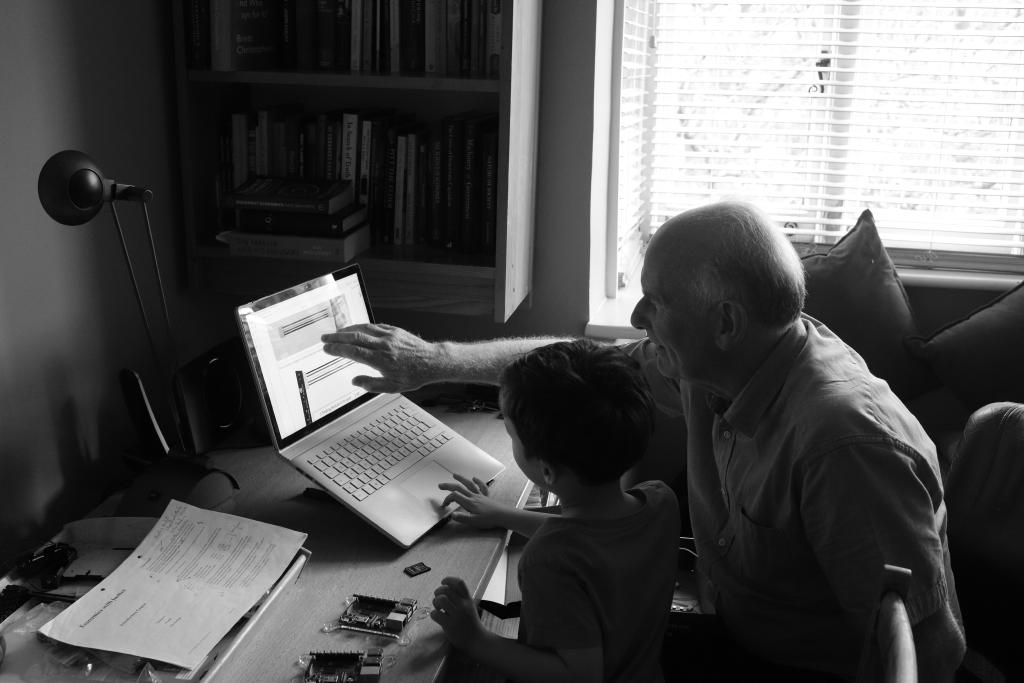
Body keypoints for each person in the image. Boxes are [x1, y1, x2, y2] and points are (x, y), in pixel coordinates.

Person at [322, 200, 966, 682]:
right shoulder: (724, 357)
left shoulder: (844, 444)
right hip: (719, 624)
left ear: (725, 320)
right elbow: (580, 363)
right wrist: (434, 360)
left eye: (654, 302)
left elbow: (925, 654)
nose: (637, 320)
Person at [428, 339, 680, 682]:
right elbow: (592, 534)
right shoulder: (661, 502)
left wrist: (475, 638)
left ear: (547, 472)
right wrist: (503, 514)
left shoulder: (549, 560)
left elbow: (577, 675)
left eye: (511, 436)